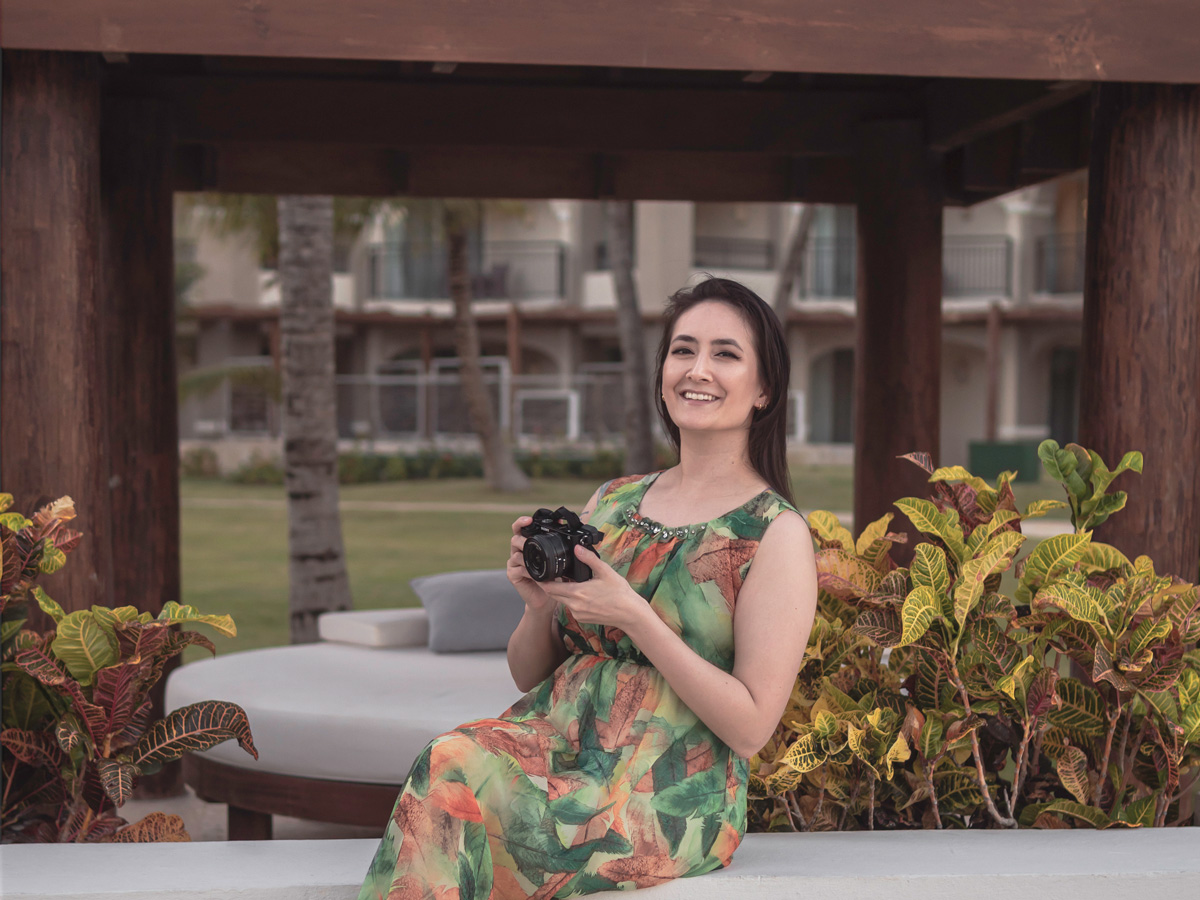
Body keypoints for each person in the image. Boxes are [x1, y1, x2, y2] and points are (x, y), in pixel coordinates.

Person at [358, 276, 819, 900]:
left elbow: (752, 727)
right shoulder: (614, 500)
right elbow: (529, 675)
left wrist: (635, 617)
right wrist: (537, 607)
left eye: (725, 354)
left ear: (764, 389)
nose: (697, 370)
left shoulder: (775, 533)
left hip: (665, 795)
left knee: (461, 797)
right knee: (447, 760)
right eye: (682, 350)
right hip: (552, 748)